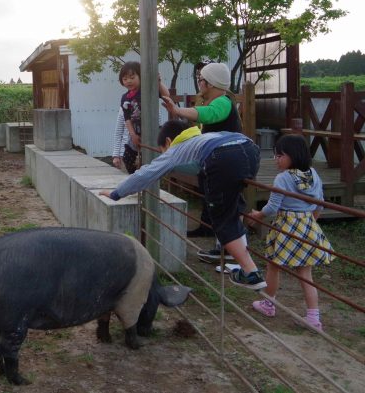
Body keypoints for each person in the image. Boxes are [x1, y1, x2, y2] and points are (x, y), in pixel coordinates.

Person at [100, 119, 267, 290]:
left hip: (223, 158)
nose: (163, 155)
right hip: (250, 150)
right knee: (231, 202)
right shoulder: (204, 137)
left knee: (222, 219)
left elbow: (147, 173)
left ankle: (250, 272)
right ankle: (241, 252)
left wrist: (116, 193)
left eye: (162, 151)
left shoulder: (176, 149)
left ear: (168, 142)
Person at [245, 135, 334, 331]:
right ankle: (313, 317)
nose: (276, 159)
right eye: (275, 155)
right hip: (307, 224)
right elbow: (319, 203)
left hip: (286, 226)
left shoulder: (283, 178)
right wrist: (311, 222)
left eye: (280, 155)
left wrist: (258, 215)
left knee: (273, 266)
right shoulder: (313, 174)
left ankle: (268, 304)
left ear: (294, 155)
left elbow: (272, 207)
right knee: (305, 274)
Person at [164, 62, 244, 262]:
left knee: (228, 208)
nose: (199, 82)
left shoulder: (223, 102)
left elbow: (207, 114)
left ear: (210, 83)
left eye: (201, 79)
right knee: (221, 207)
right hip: (220, 163)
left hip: (227, 164)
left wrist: (178, 111)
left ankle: (234, 256)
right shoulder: (219, 102)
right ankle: (224, 250)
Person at [110, 61, 170, 174]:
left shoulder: (149, 91)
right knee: (128, 160)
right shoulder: (125, 98)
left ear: (141, 76)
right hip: (135, 135)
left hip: (152, 134)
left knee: (153, 162)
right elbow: (127, 119)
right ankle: (135, 176)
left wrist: (158, 82)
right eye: (125, 79)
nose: (129, 81)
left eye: (132, 77)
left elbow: (166, 95)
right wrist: (133, 135)